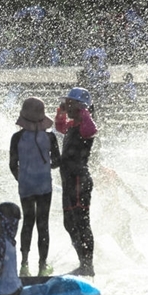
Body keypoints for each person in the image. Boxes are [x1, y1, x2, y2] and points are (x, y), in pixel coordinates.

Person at [10, 97, 61, 277]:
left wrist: (22, 178)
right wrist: (44, 166)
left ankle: (24, 265)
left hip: (26, 186)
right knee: (43, 225)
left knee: (28, 222)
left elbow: (12, 164)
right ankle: (42, 265)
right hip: (44, 186)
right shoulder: (49, 137)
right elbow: (57, 161)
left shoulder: (17, 138)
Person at [55, 87, 98, 277]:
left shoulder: (85, 127)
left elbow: (92, 128)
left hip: (80, 180)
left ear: (81, 107)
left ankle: (87, 265)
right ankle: (82, 261)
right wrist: (61, 111)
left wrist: (83, 111)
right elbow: (59, 126)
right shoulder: (72, 126)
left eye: (71, 103)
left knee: (82, 222)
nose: (67, 106)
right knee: (69, 222)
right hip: (68, 181)